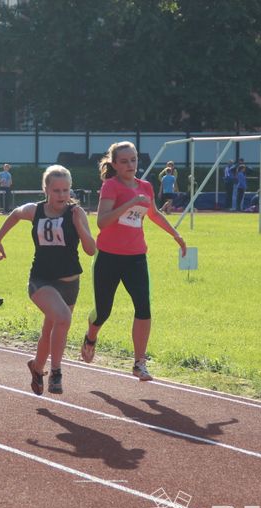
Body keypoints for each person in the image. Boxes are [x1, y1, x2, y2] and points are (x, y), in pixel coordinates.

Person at [80, 141, 186, 381]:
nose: (130, 165)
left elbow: (154, 214)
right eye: (124, 161)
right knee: (103, 311)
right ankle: (91, 336)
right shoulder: (111, 186)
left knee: (143, 308)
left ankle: (139, 362)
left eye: (134, 160)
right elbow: (102, 222)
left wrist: (175, 234)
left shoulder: (146, 187)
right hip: (108, 256)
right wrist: (129, 203)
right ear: (115, 164)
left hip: (136, 257)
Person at [0, 165, 96, 395]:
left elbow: (91, 250)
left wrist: (79, 226)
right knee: (63, 318)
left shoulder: (76, 213)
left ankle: (37, 368)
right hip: (41, 281)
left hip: (70, 283)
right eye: (56, 190)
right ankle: (56, 371)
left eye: (65, 190)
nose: (61, 195)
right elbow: (16, 213)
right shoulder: (36, 210)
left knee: (51, 329)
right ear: (46, 190)